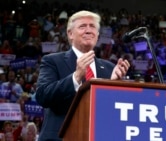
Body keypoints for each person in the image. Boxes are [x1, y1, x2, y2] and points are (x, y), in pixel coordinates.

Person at [35, 10, 130, 141]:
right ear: (70, 34)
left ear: (97, 34)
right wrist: (76, 77)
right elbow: (43, 96)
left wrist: (112, 86)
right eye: (82, 26)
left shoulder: (110, 68)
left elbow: (116, 112)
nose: (88, 30)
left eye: (92, 26)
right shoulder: (52, 61)